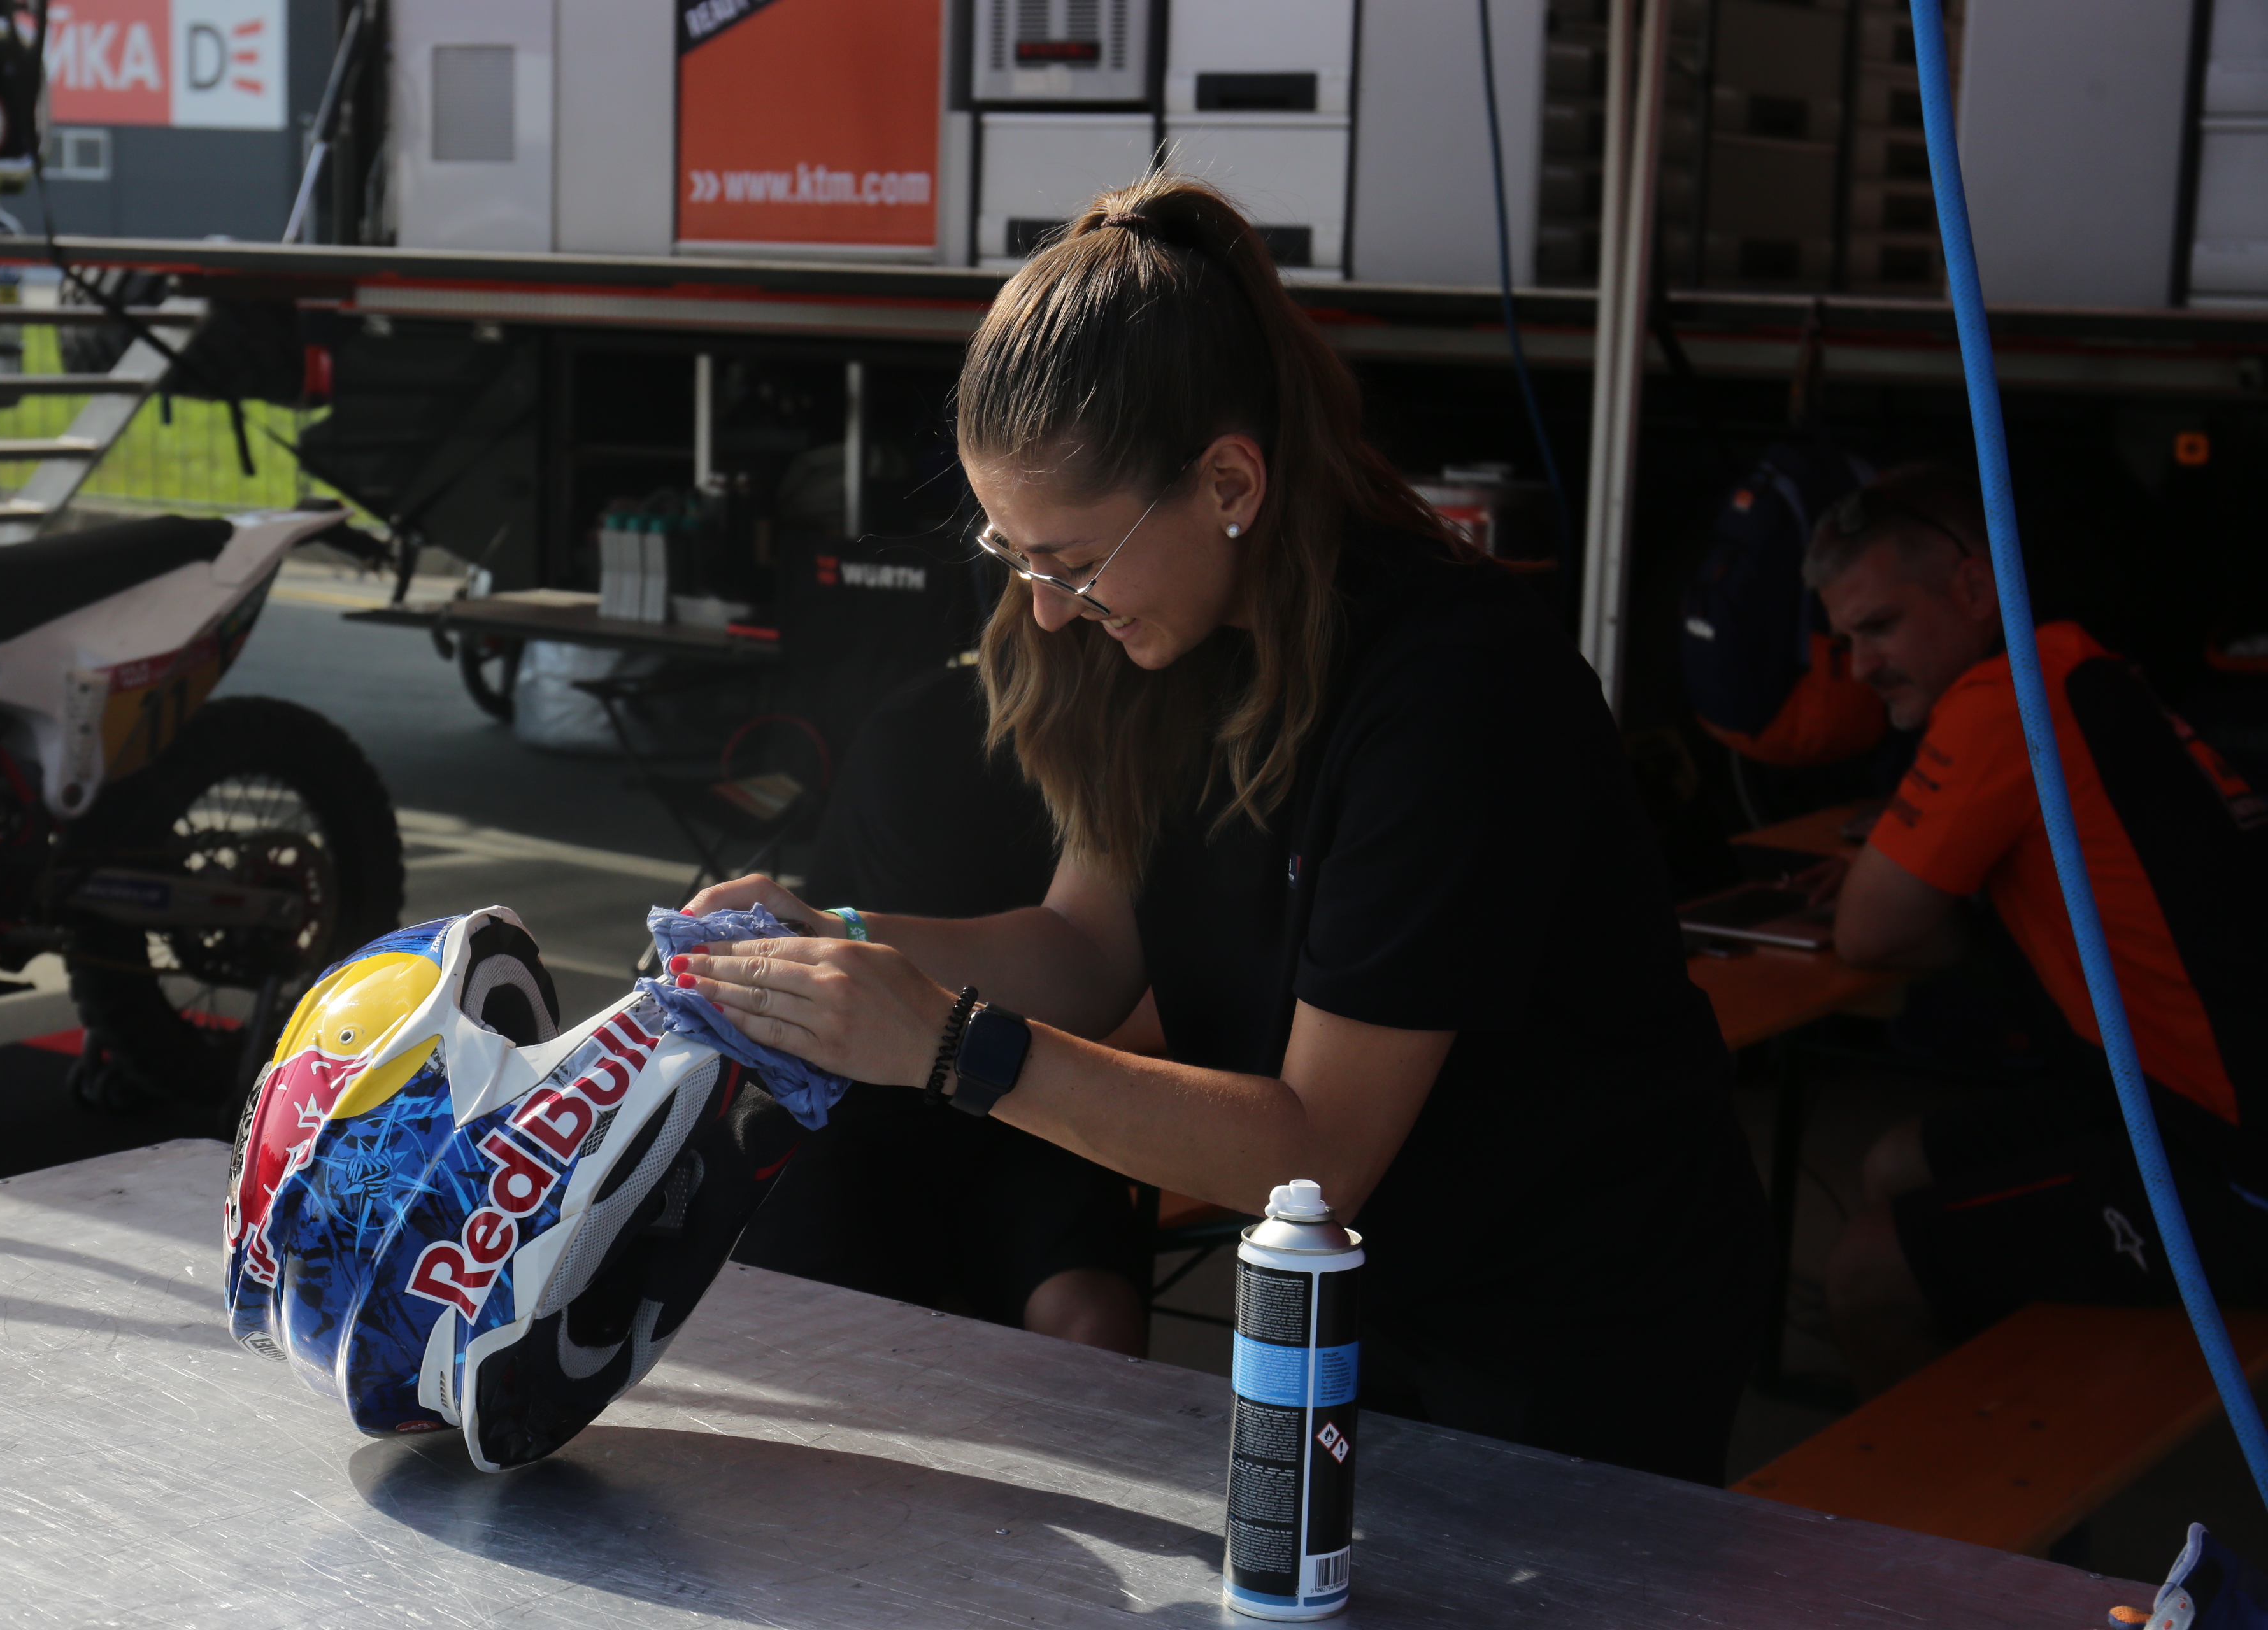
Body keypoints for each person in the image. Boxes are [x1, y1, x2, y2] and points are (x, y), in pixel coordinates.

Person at [669, 175, 1772, 1485]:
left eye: (1073, 560)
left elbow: (1318, 1154)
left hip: (1581, 1312)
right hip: (1368, 1283)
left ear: (1230, 480)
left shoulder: (1454, 692)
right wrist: (833, 938)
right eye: (1016, 556)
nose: (1047, 611)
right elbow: (1084, 949)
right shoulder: (1171, 637)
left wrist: (949, 1044)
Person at [1808, 464, 2268, 1394]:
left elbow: (1869, 935)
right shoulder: (2075, 666)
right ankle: (1989, 1424)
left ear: (1977, 588)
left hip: (2234, 1157)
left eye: (1882, 626)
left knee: (1866, 1268)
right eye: (1847, 638)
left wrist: (1911, 893)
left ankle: (1963, 1484)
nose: (1861, 667)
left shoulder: (2005, 698)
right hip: (2159, 1102)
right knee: (1898, 1165)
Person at [731, 662, 1151, 1352]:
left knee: (1093, 1322)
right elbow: (1084, 968)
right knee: (813, 1331)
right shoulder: (926, 734)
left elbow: (1097, 974)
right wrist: (834, 934)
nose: (1052, 611)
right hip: (859, 1101)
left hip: (1040, 1103)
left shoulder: (1145, 739)